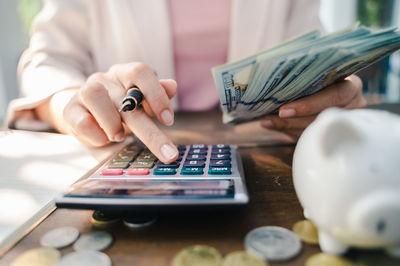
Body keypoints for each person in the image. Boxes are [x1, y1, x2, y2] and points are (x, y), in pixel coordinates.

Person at [7, 0, 366, 163]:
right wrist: (72, 104)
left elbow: (312, 53)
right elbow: (47, 61)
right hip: (125, 147)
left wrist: (332, 95)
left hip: (266, 146)